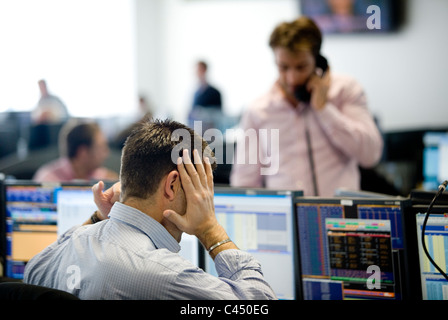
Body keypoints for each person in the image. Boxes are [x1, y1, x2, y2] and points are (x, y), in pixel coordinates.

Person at [24, 119, 276, 300]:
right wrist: (211, 229)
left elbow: (32, 271)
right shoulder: (166, 275)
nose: (205, 198)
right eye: (202, 187)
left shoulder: (68, 246)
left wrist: (99, 217)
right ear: (173, 185)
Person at [229, 16, 383, 197]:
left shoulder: (345, 91)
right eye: (283, 67)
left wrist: (324, 109)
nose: (292, 78)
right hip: (283, 221)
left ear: (318, 62)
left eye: (301, 67)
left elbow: (370, 155)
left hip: (341, 220)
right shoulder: (258, 110)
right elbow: (244, 183)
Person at [33, 120, 118, 182]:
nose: (107, 153)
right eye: (102, 147)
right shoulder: (47, 180)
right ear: (83, 153)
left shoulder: (102, 176)